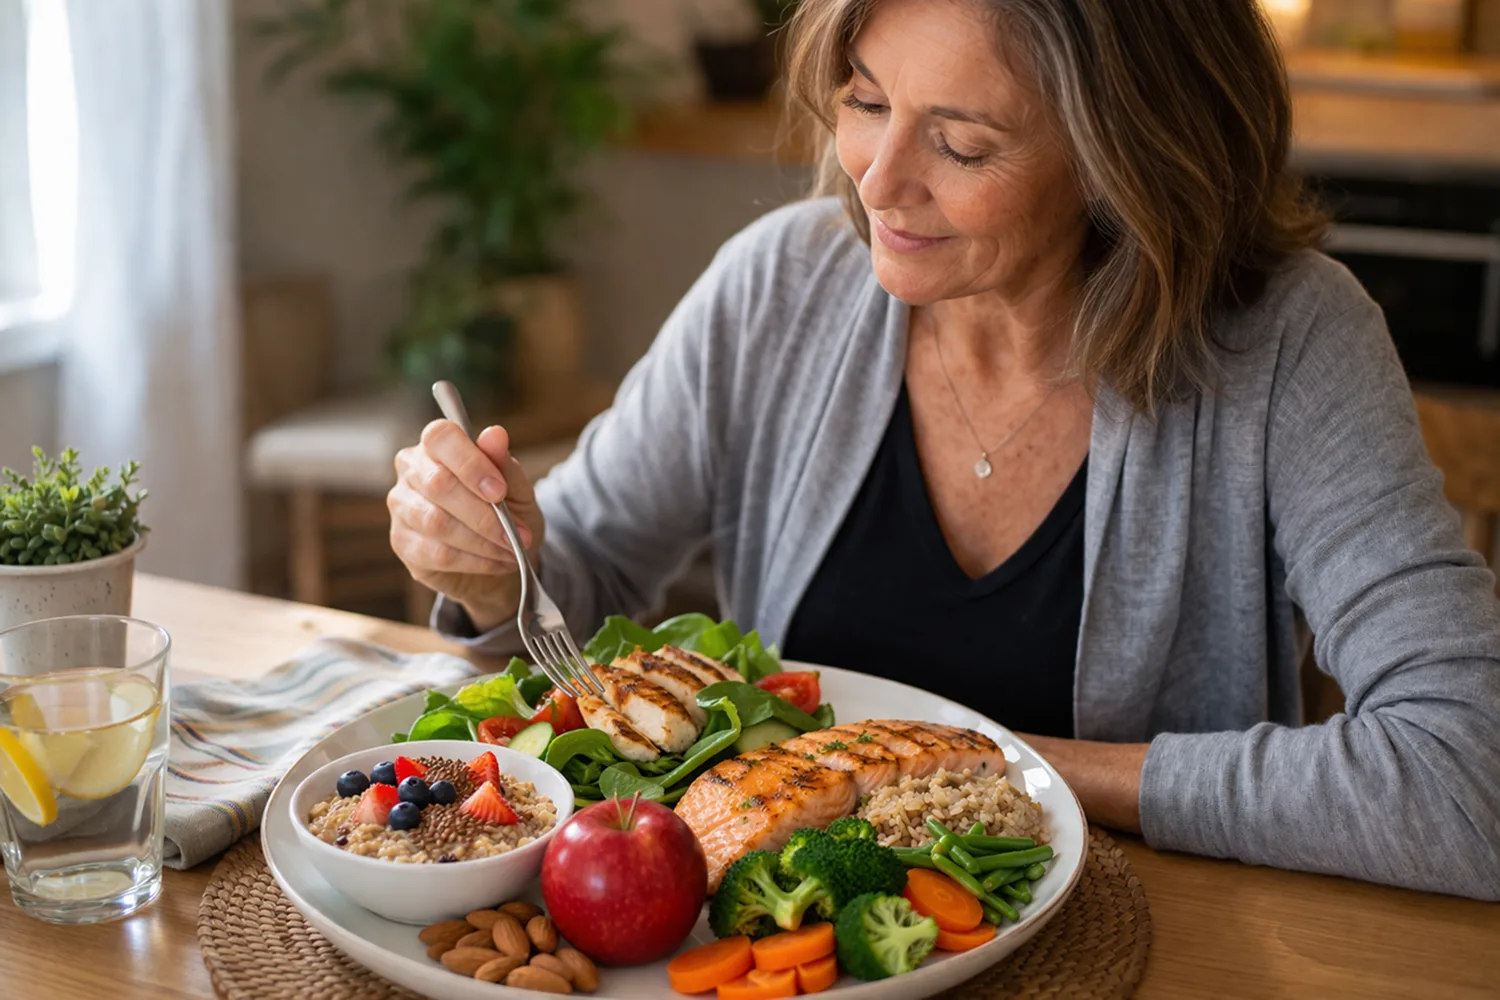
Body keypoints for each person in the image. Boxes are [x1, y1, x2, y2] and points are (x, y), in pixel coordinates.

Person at [387, 0, 1500, 898]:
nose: (876, 183)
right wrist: (495, 568)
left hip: (1168, 938)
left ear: (1126, 156)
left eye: (962, 142)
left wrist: (980, 760)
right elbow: (581, 580)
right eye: (866, 101)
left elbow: (1470, 775)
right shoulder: (779, 284)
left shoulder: (1289, 341)